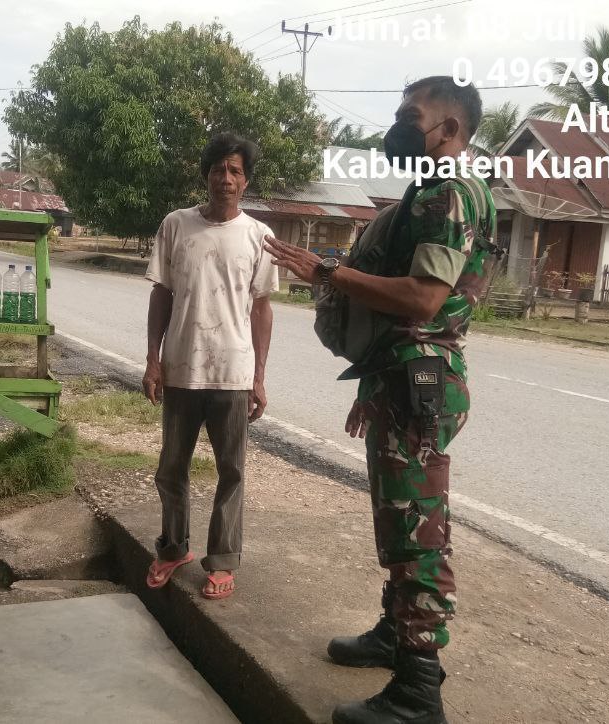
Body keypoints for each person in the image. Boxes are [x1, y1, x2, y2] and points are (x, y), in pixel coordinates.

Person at [265, 76, 495, 724]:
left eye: (409, 116)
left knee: (418, 530)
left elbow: (423, 299)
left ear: (447, 129)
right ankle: (398, 634)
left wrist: (326, 271)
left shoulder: (450, 191)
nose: (397, 126)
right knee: (400, 520)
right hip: (405, 375)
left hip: (420, 379)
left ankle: (418, 692)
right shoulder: (434, 190)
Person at [141, 132, 278, 601]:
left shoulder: (260, 237)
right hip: (181, 368)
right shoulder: (176, 225)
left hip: (234, 374)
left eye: (235, 171)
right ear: (206, 175)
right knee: (170, 469)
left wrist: (259, 377)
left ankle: (221, 559)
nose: (225, 178)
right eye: (218, 169)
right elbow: (161, 294)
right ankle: (173, 547)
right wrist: (152, 360)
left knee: (232, 472)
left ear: (246, 181)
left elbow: (261, 309)